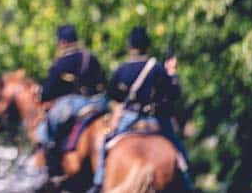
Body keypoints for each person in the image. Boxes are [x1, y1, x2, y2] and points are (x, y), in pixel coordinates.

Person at [90, 26, 191, 192]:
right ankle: (188, 186)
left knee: (104, 145)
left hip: (129, 120)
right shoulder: (157, 68)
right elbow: (173, 93)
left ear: (129, 46)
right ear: (147, 46)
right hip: (155, 121)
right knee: (180, 155)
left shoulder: (121, 70)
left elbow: (113, 96)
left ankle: (98, 182)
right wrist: (172, 74)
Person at [35, 24, 107, 177]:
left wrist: (41, 96)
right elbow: (102, 81)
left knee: (44, 130)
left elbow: (48, 91)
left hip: (73, 105)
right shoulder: (90, 57)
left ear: (62, 42)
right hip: (98, 103)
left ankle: (52, 166)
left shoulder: (61, 62)